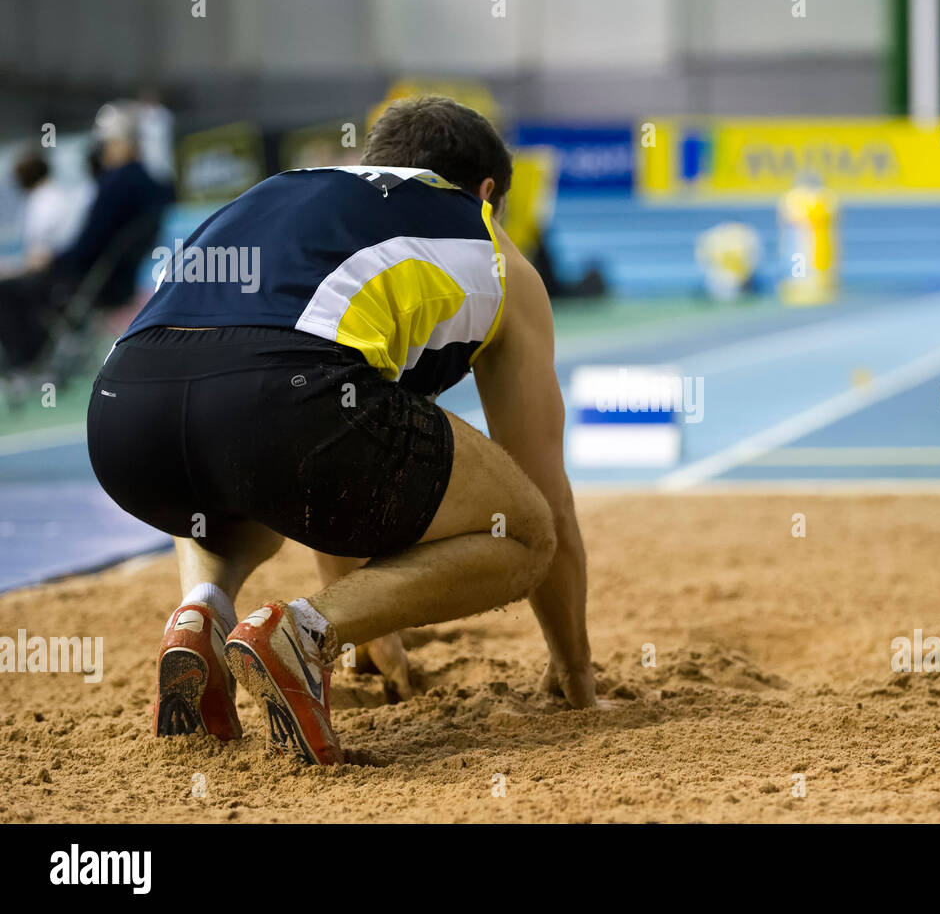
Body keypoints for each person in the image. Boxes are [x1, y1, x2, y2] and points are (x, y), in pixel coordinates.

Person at [86, 96, 596, 765]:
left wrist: (373, 634)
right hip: (281, 405)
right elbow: (544, 491)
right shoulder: (491, 244)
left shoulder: (275, 194)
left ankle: (202, 612)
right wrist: (576, 676)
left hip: (124, 417)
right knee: (525, 528)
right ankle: (303, 632)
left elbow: (321, 483)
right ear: (488, 192)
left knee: (254, 452)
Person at [0, 101, 172, 369]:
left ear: (118, 143)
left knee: (9, 288)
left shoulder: (114, 184)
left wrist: (52, 261)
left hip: (89, 282)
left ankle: (28, 366)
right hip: (119, 281)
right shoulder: (154, 186)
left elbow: (88, 246)